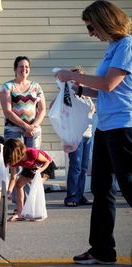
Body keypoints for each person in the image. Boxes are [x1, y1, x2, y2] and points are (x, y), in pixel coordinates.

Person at [54, 1, 132, 264]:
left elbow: (109, 84)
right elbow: (101, 90)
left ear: (104, 21)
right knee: (101, 188)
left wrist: (68, 75)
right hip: (106, 125)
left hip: (124, 127)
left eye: (91, 27)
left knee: (129, 188)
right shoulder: (113, 48)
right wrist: (78, 88)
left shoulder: (127, 45)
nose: (90, 33)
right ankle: (102, 250)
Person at [62, 67, 96, 207]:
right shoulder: (69, 94)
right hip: (75, 134)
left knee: (83, 167)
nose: (78, 81)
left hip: (87, 133)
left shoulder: (86, 95)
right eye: (74, 78)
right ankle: (71, 196)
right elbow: (58, 107)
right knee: (75, 166)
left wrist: (89, 114)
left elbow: (92, 108)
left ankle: (80, 195)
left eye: (80, 78)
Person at [3, 139, 55, 222]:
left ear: (19, 153)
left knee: (35, 185)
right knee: (19, 185)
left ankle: (36, 211)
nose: (13, 163)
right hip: (31, 168)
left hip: (45, 167)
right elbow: (13, 177)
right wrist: (9, 191)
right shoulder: (13, 160)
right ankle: (20, 213)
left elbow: (47, 161)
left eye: (13, 160)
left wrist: (40, 170)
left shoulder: (32, 153)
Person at [0, 56, 46, 149]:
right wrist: (25, 126)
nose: (24, 69)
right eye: (21, 66)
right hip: (13, 131)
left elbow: (42, 110)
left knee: (32, 161)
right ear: (15, 69)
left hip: (33, 131)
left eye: (26, 67)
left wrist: (33, 127)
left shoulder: (36, 87)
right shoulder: (7, 87)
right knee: (16, 161)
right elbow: (7, 112)